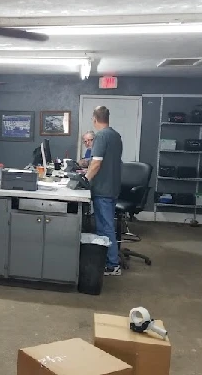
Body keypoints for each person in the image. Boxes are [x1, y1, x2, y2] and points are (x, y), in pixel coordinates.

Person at [84, 106, 123, 276]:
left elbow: (96, 163)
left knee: (105, 227)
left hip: (103, 189)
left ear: (94, 119)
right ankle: (105, 260)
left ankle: (113, 264)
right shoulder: (115, 135)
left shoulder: (100, 136)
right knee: (103, 226)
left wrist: (85, 180)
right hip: (112, 187)